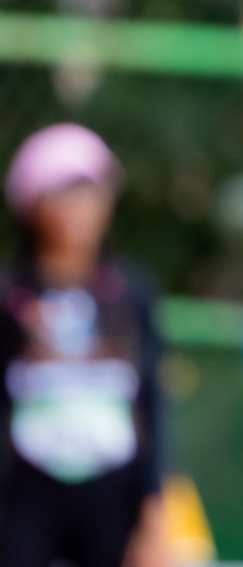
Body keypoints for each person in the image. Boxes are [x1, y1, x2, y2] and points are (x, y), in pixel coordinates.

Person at [0, 123, 166, 567]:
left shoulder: (131, 293)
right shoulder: (11, 296)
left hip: (113, 491)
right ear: (31, 204)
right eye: (63, 195)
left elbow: (152, 400)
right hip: (27, 490)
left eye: (89, 194)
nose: (77, 210)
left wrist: (155, 508)